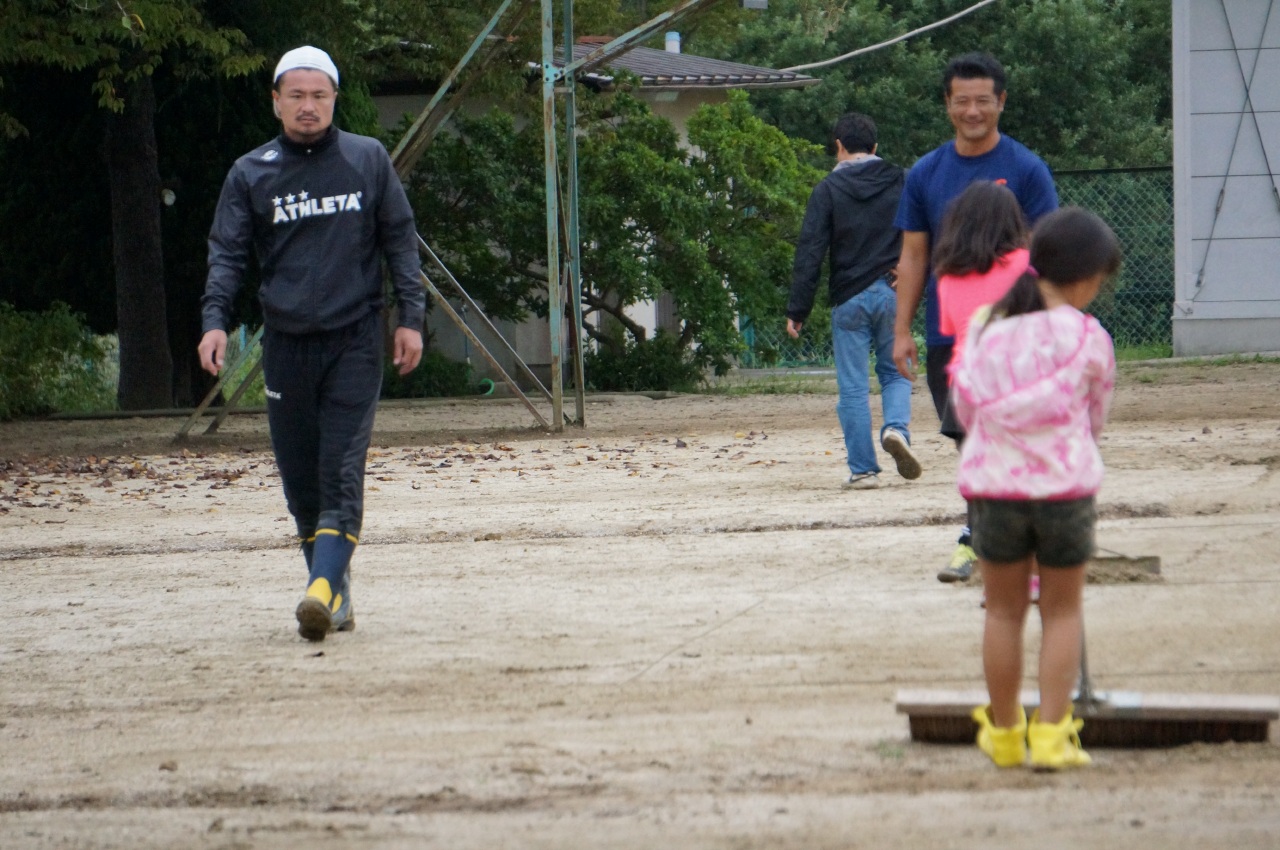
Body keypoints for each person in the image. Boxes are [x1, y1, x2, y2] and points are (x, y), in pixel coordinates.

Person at [198, 46, 425, 641]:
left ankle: (320, 591)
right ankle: (336, 595)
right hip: (286, 347)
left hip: (354, 340)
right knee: (301, 482)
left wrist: (411, 317)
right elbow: (227, 254)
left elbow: (400, 241)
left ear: (334, 99)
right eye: (296, 95)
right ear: (276, 101)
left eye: (319, 95)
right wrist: (215, 320)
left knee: (340, 469)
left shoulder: (366, 159)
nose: (308, 105)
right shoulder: (250, 172)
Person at [951, 207, 1120, 769]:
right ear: (1086, 277)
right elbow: (1095, 418)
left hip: (994, 491)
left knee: (1002, 613)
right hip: (1065, 491)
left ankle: (1004, 738)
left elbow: (966, 408)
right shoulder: (1089, 336)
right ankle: (1051, 738)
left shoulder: (984, 327)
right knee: (1062, 612)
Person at [891, 52, 1058, 582]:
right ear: (947, 104)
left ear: (1001, 102)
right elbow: (913, 256)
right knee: (972, 441)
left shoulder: (1027, 169)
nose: (972, 111)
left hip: (1016, 340)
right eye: (961, 101)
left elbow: (1047, 254)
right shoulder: (926, 173)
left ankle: (982, 539)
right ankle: (995, 537)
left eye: (983, 100)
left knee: (1007, 441)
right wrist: (901, 330)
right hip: (951, 338)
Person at [787, 112, 920, 490]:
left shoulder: (827, 189)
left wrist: (798, 309)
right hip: (893, 290)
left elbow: (810, 251)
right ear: (875, 147)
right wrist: (911, 273)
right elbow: (924, 230)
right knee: (896, 372)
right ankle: (896, 429)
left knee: (854, 386)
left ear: (838, 146)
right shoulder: (902, 178)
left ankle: (863, 469)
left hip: (849, 296)